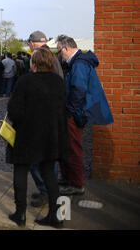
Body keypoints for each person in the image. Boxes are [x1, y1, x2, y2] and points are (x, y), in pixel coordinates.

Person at [6, 48, 68, 228]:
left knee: (20, 171)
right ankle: (56, 217)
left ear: (34, 63)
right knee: (49, 173)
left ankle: (20, 214)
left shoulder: (25, 81)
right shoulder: (58, 82)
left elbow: (14, 111)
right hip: (50, 135)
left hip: (27, 134)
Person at [56, 35, 113, 196]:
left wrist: (69, 112)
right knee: (68, 147)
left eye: (59, 51)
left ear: (66, 48)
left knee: (73, 148)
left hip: (75, 114)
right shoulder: (79, 62)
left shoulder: (79, 64)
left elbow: (78, 91)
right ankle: (68, 178)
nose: (60, 55)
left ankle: (76, 184)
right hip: (76, 112)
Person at [26, 30, 64, 207]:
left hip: (41, 118)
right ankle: (49, 190)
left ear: (32, 43)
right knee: (50, 158)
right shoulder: (53, 57)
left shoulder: (40, 58)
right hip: (54, 117)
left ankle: (45, 192)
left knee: (36, 159)